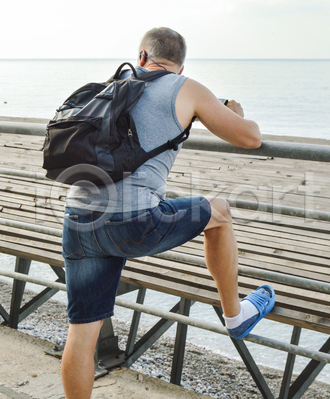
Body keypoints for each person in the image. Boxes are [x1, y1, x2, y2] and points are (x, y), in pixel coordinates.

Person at [60, 27, 276, 399]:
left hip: (79, 218)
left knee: (82, 332)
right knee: (219, 210)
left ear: (141, 56)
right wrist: (236, 113)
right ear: (180, 66)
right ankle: (235, 315)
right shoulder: (185, 87)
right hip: (134, 224)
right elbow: (250, 138)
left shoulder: (112, 84)